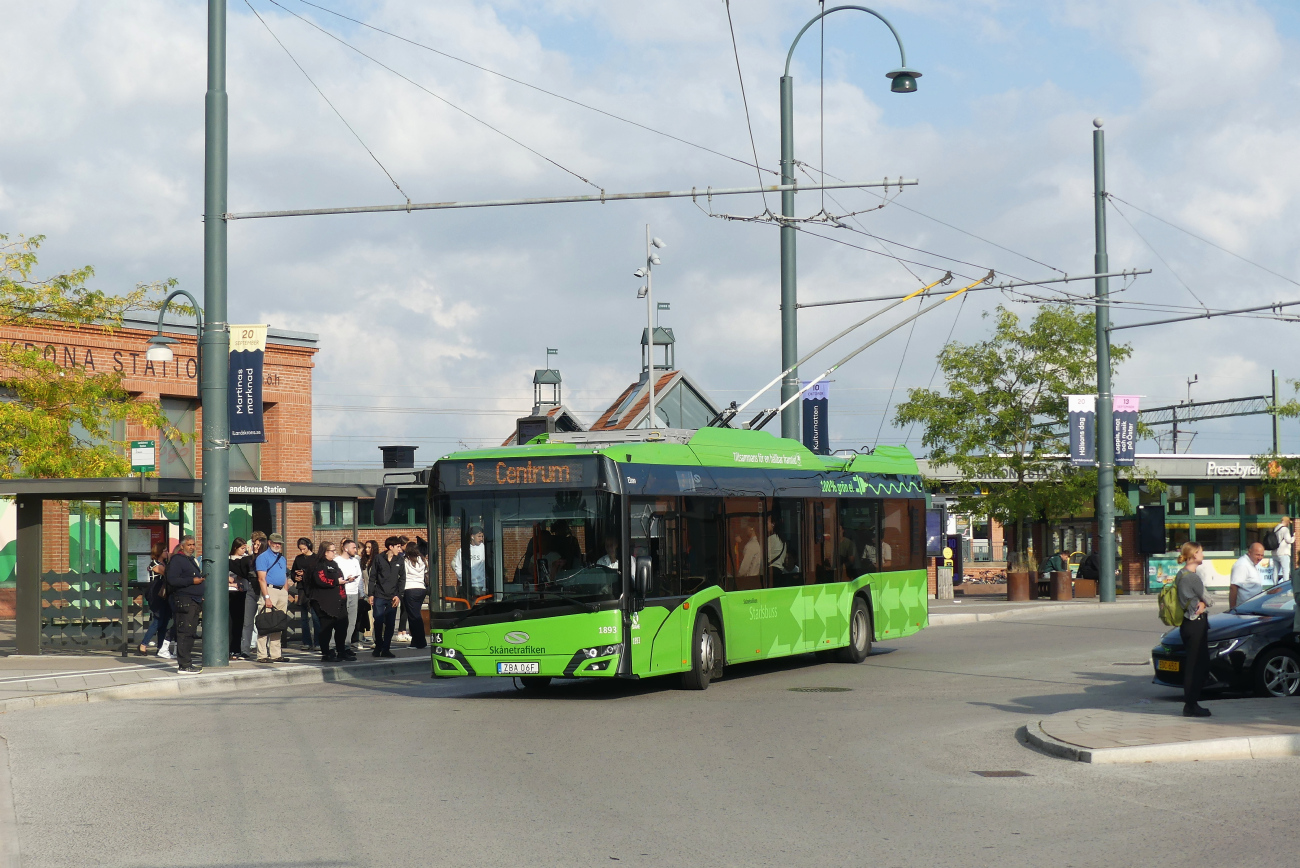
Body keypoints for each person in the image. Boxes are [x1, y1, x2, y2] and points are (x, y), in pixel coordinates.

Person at [1174, 541, 1213, 718]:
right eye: (1201, 552)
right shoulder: (1192, 577)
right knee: (1197, 664)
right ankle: (1191, 704)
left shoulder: (1180, 574)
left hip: (1186, 623)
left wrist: (1203, 602)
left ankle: (1191, 703)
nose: (1203, 555)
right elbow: (1209, 598)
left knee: (1194, 663)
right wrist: (1205, 602)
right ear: (1194, 554)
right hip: (1196, 622)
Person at [164, 536, 204, 674]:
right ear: (182, 546)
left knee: (191, 633)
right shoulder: (177, 560)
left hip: (194, 600)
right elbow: (173, 580)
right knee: (185, 632)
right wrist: (192, 581)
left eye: (193, 545)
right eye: (189, 545)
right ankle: (184, 665)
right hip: (184, 600)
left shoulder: (190, 560)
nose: (192, 547)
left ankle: (187, 663)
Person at [309, 542, 353, 663]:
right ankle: (326, 653)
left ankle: (341, 652)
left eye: (334, 550)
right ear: (325, 552)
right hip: (325, 602)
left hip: (340, 600)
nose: (334, 553)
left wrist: (345, 580)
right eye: (332, 551)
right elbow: (321, 580)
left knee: (342, 627)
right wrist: (336, 581)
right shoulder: (319, 564)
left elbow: (338, 579)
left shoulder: (334, 564)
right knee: (326, 629)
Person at [368, 536, 406, 658]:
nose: (400, 549)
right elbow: (372, 577)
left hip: (392, 597)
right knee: (378, 621)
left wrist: (399, 595)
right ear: (391, 547)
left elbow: (402, 579)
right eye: (398, 547)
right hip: (379, 595)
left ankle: (386, 649)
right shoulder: (379, 558)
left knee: (390, 623)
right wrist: (370, 594)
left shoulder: (400, 560)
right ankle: (378, 646)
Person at [255, 533, 290, 662]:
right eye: (275, 542)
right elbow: (261, 578)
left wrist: (285, 591)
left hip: (281, 591)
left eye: (279, 543)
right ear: (269, 542)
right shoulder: (263, 557)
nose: (277, 545)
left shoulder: (282, 558)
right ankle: (262, 655)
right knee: (265, 623)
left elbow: (285, 576)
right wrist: (267, 597)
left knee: (278, 623)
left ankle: (276, 653)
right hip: (269, 590)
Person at [139, 541, 172, 657]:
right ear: (159, 552)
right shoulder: (155, 564)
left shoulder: (166, 563)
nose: (167, 552)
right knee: (158, 620)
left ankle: (161, 647)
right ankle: (144, 644)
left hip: (165, 595)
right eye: (165, 551)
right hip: (156, 594)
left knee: (164, 621)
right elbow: (166, 573)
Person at [240, 532, 267, 658]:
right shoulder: (249, 560)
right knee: (247, 622)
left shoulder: (266, 558)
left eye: (257, 544)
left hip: (263, 591)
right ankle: (245, 650)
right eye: (254, 544)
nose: (255, 546)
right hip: (251, 591)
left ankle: (264, 649)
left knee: (264, 622)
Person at [291, 538, 320, 651]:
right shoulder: (298, 559)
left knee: (315, 617)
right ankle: (306, 641)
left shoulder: (316, 558)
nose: (302, 551)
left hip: (313, 589)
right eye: (300, 549)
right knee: (304, 618)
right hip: (302, 589)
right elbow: (293, 571)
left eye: (304, 548)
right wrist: (295, 577)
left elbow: (317, 573)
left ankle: (318, 641)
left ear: (309, 546)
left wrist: (305, 573)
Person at [337, 539, 364, 651]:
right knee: (341, 620)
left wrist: (361, 593)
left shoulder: (355, 561)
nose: (355, 550)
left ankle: (347, 644)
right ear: (346, 548)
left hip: (354, 593)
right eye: (353, 548)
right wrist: (346, 579)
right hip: (342, 593)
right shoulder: (337, 560)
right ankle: (335, 644)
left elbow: (360, 578)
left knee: (352, 621)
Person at [227, 538, 252, 658]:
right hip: (230, 592)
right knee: (230, 622)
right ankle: (229, 648)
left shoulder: (246, 559)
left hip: (242, 592)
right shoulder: (228, 559)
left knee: (239, 622)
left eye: (245, 548)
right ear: (235, 548)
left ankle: (236, 648)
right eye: (242, 548)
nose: (243, 551)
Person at [401, 541, 429, 650]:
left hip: (410, 589)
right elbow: (426, 571)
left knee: (414, 617)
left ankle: (420, 642)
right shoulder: (422, 559)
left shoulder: (406, 560)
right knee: (416, 614)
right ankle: (415, 641)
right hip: (421, 589)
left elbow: (403, 574)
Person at [1229, 542, 1267, 609]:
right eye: (1257, 555)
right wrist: (1232, 609)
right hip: (1245, 609)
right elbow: (1233, 588)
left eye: (1262, 555)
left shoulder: (1251, 563)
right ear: (1249, 552)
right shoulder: (1242, 565)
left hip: (1253, 607)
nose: (1260, 558)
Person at [452, 526, 487, 595]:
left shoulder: (484, 548)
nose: (481, 539)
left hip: (480, 585)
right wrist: (464, 580)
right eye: (479, 536)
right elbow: (458, 567)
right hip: (466, 585)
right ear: (472, 536)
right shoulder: (463, 550)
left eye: (482, 536)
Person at [1272, 516, 1293, 586]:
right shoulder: (1285, 529)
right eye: (1288, 522)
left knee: (1275, 571)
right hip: (1283, 552)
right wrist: (1294, 538)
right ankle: (1286, 589)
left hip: (1275, 553)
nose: (1288, 524)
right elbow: (1288, 540)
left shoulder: (1276, 528)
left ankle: (1274, 586)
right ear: (1286, 522)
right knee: (1286, 571)